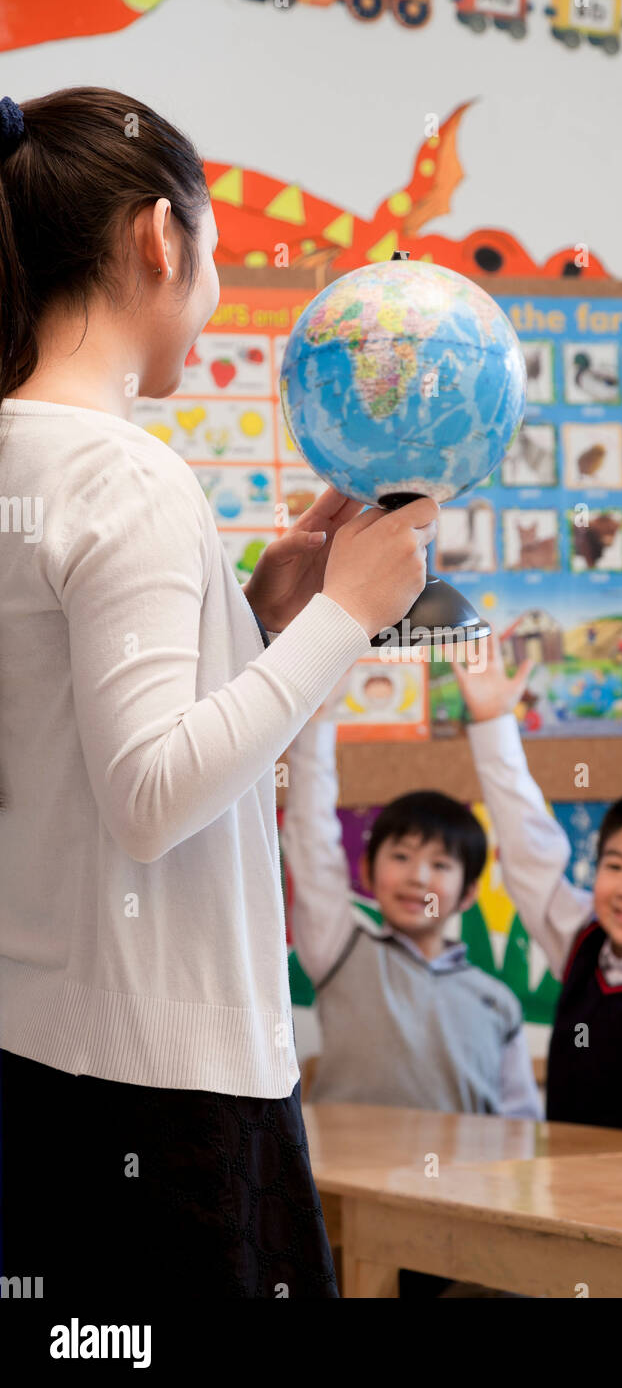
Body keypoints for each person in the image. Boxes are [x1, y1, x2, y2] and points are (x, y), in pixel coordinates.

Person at [0, 85, 439, 1299]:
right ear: (158, 237)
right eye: (214, 251)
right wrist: (350, 611)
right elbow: (147, 795)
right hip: (161, 1079)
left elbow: (71, 752)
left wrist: (258, 620)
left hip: (44, 1058)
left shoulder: (24, 452)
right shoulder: (123, 472)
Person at [452, 632, 622, 1137]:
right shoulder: (583, 941)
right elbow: (529, 849)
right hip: (563, 1203)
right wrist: (493, 722)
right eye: (614, 865)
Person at [281, 715, 541, 1119]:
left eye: (440, 864)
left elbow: (522, 1124)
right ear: (367, 872)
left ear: (469, 892)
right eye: (401, 857)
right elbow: (309, 836)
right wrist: (318, 721)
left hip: (466, 1180)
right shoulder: (340, 953)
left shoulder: (497, 1002)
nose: (417, 877)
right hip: (345, 1177)